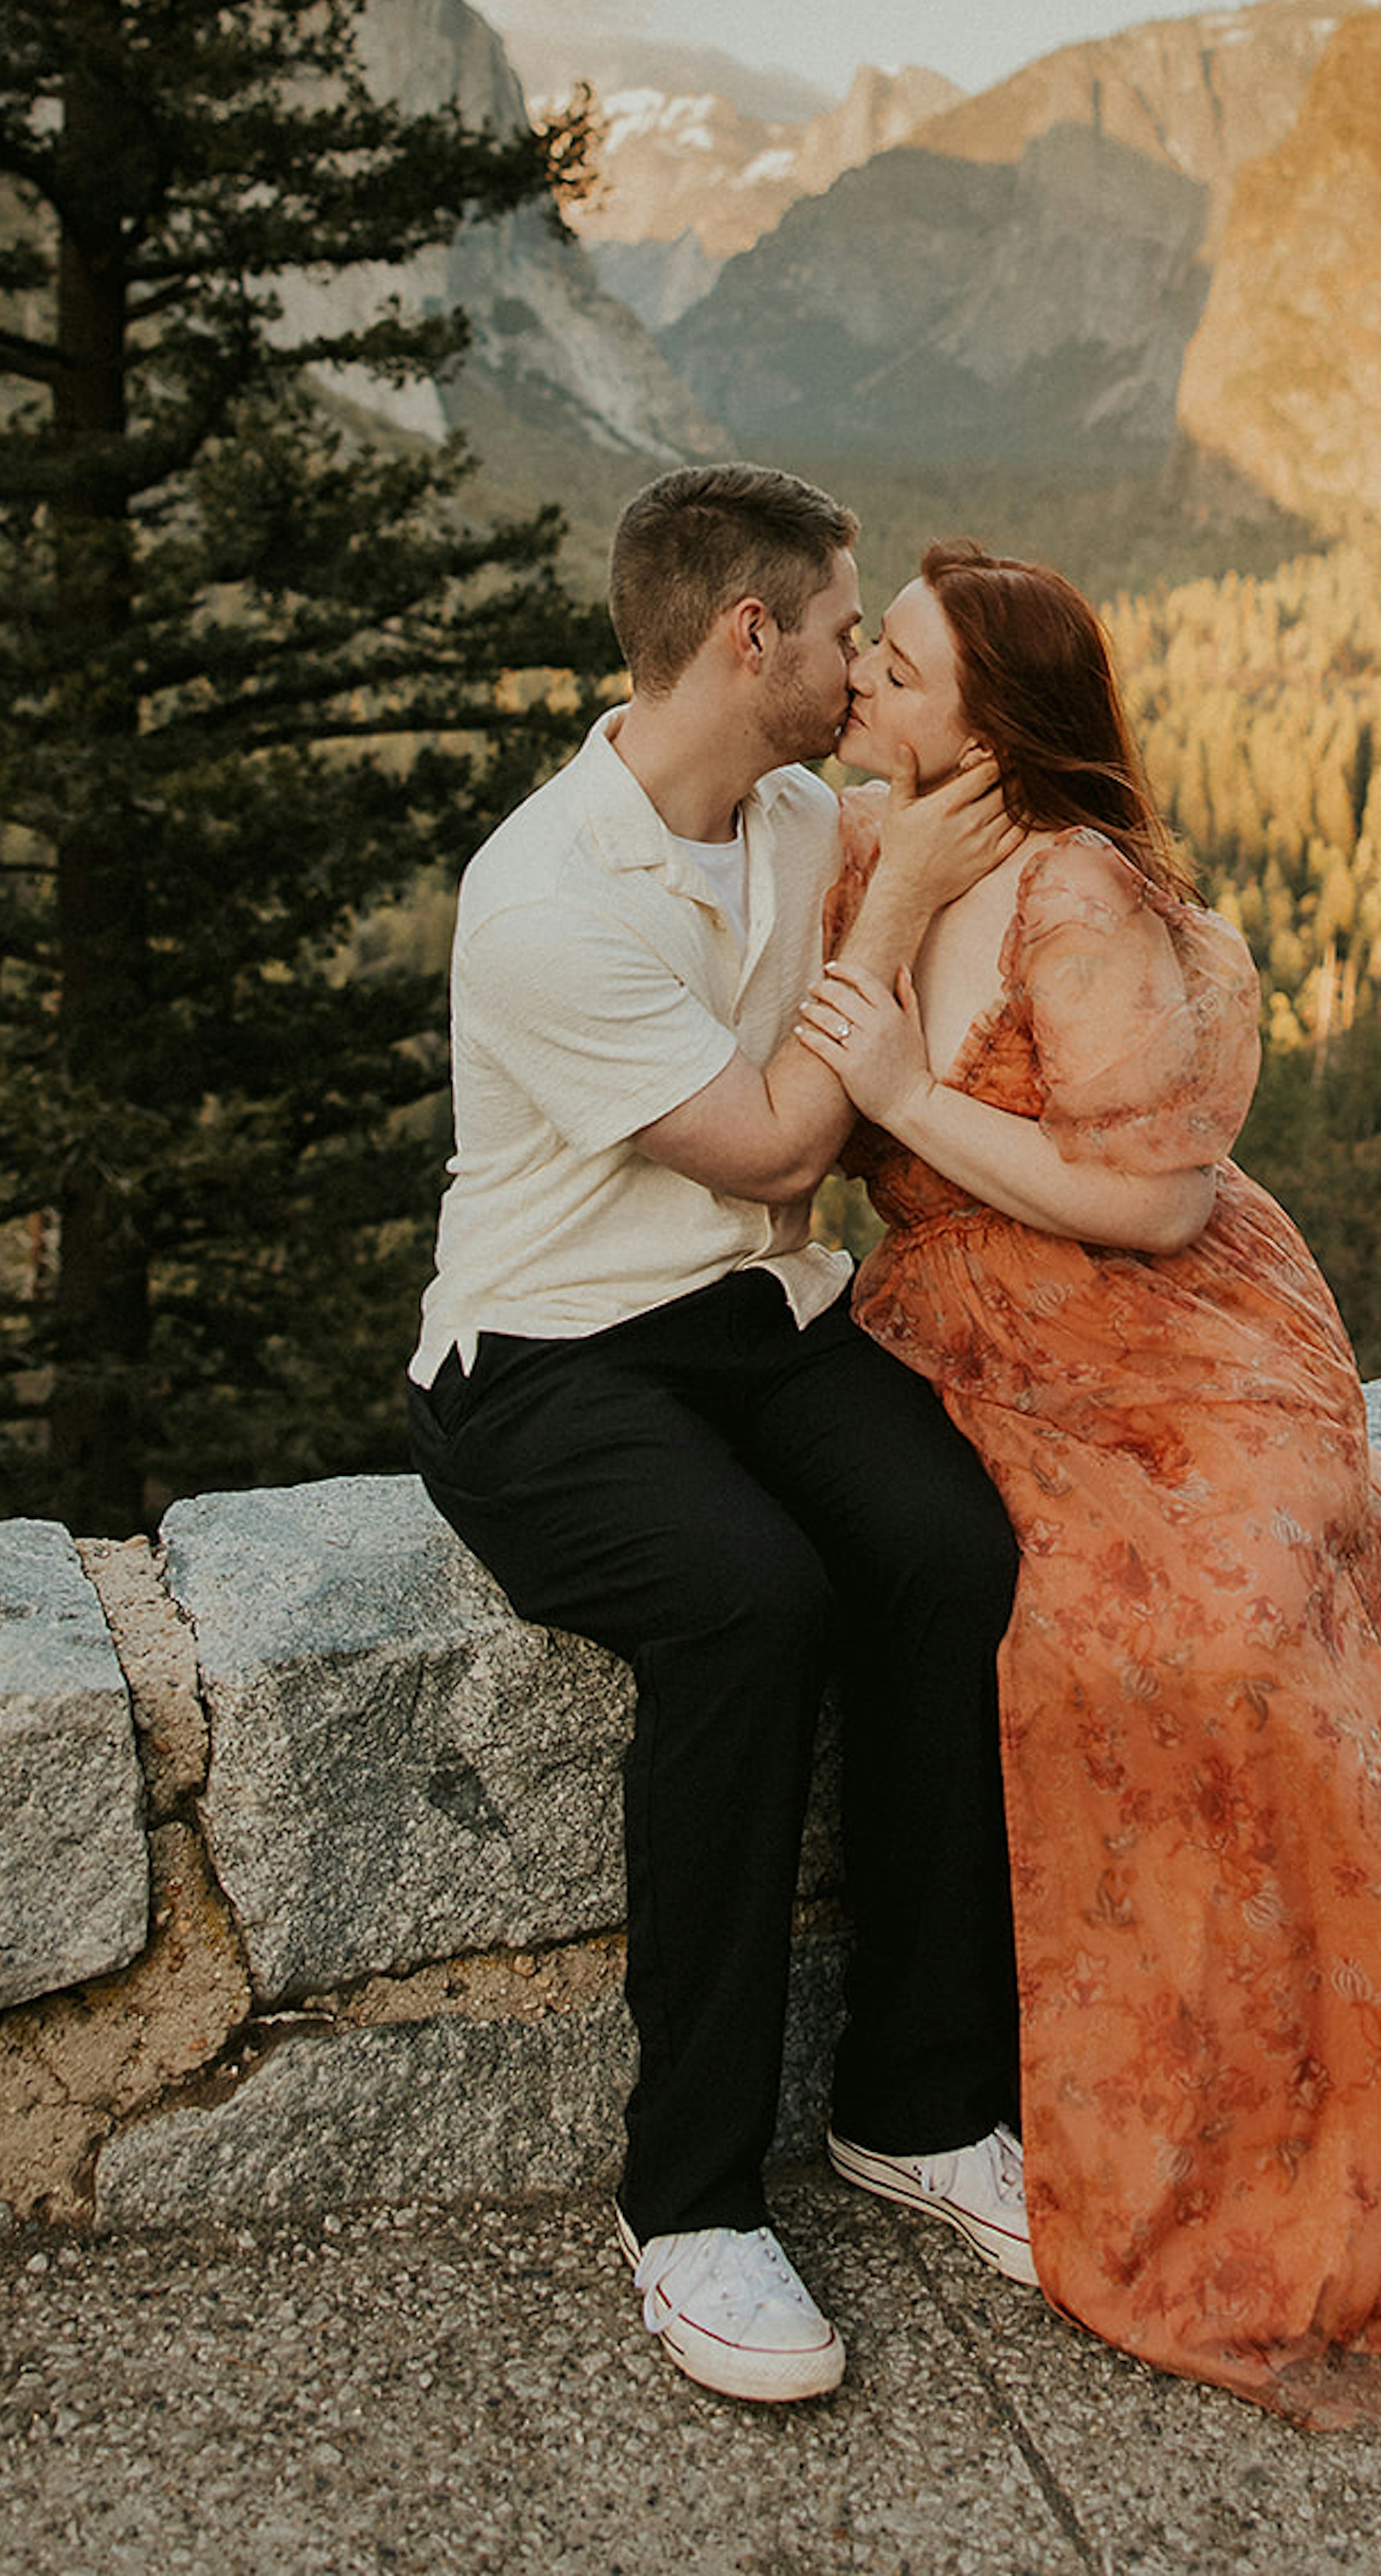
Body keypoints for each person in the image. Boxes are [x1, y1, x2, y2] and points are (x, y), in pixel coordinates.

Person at [794, 540, 1381, 2432]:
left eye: (896, 666)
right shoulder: (856, 846)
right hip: (952, 1332)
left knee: (1214, 1618)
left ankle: (1301, 2105)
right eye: (864, 656)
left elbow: (1152, 1201)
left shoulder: (1081, 890)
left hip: (1160, 1328)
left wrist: (902, 1094)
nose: (859, 685)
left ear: (992, 727)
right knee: (1036, 1615)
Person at [408, 468, 1034, 2408]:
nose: (861, 664)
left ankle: (921, 2106)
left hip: (757, 1319)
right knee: (748, 1605)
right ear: (747, 639)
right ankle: (686, 2202)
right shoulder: (541, 901)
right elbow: (772, 1142)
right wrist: (917, 887)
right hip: (550, 1358)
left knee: (950, 1550)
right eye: (845, 629)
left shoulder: (784, 812)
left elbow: (942, 791)